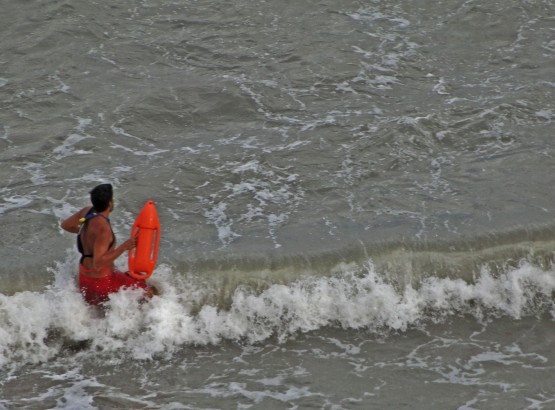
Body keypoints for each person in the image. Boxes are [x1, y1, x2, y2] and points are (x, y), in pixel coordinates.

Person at [61, 183, 156, 306]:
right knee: (148, 289)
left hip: (85, 281)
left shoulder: (86, 212)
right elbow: (98, 263)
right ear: (110, 203)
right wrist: (124, 246)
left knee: (129, 276)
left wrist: (83, 231)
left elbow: (66, 225)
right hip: (103, 284)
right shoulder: (103, 229)